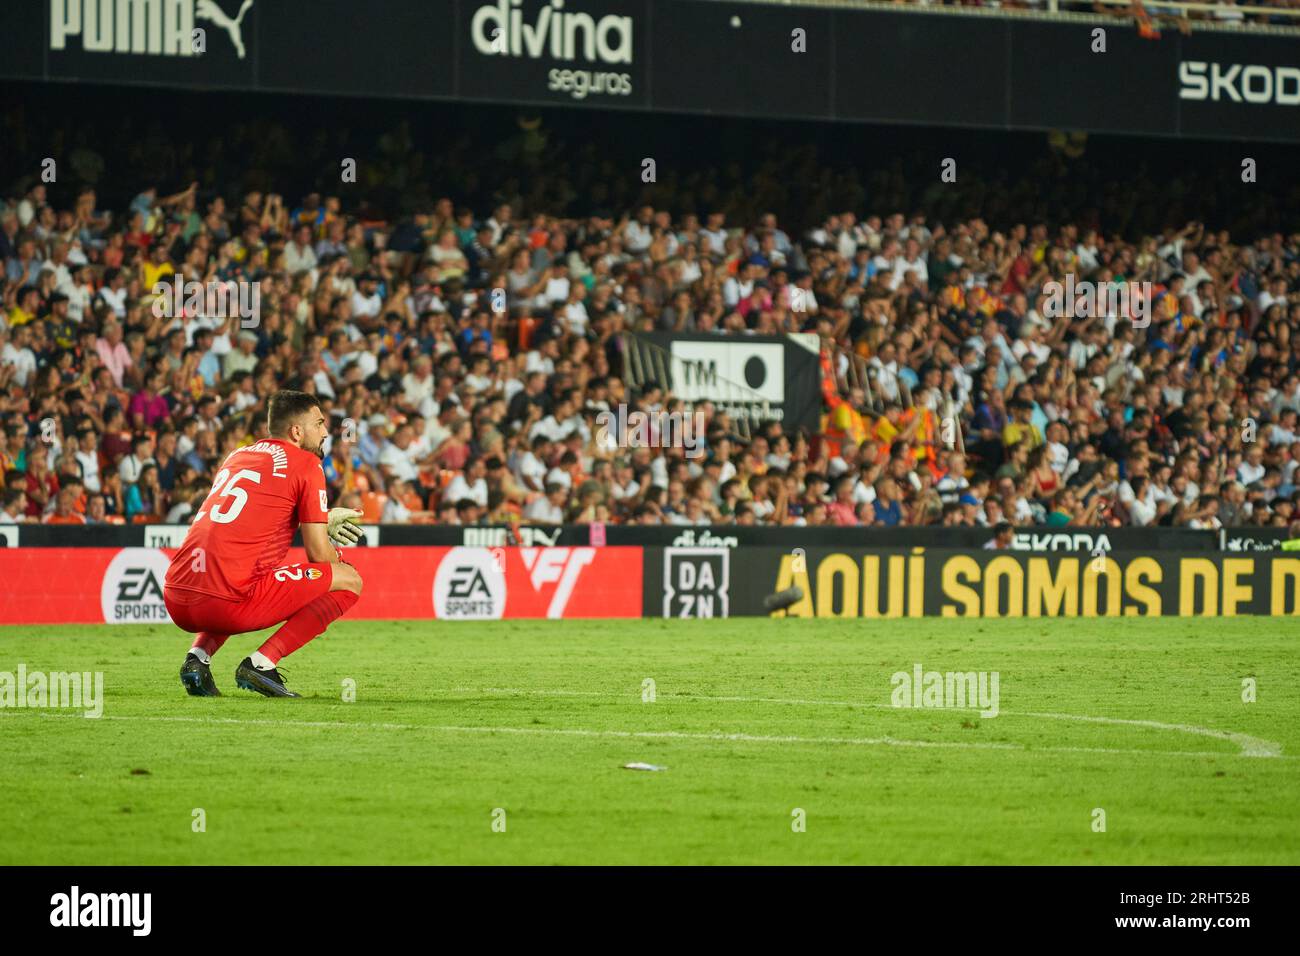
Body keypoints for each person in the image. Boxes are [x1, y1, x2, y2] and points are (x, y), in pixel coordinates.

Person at [162, 390, 365, 698]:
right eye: (319, 423)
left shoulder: (238, 455)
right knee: (349, 579)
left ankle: (197, 659)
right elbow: (319, 556)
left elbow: (258, 511)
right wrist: (336, 552)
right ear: (297, 431)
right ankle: (261, 663)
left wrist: (320, 517)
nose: (325, 432)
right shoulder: (307, 464)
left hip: (177, 595)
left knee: (238, 573)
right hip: (223, 603)